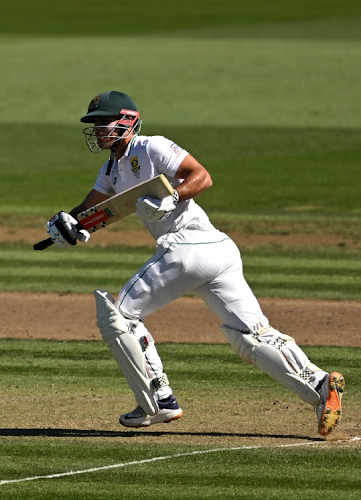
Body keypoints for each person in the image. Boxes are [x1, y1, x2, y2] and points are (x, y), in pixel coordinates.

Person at [43, 90, 345, 436]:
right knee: (251, 337)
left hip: (190, 245)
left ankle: (159, 401)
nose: (98, 130)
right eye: (94, 124)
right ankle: (322, 386)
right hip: (215, 251)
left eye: (103, 122)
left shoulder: (150, 146)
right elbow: (92, 209)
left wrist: (173, 197)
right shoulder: (111, 169)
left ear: (128, 120)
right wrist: (69, 223)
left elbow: (201, 176)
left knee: (120, 315)